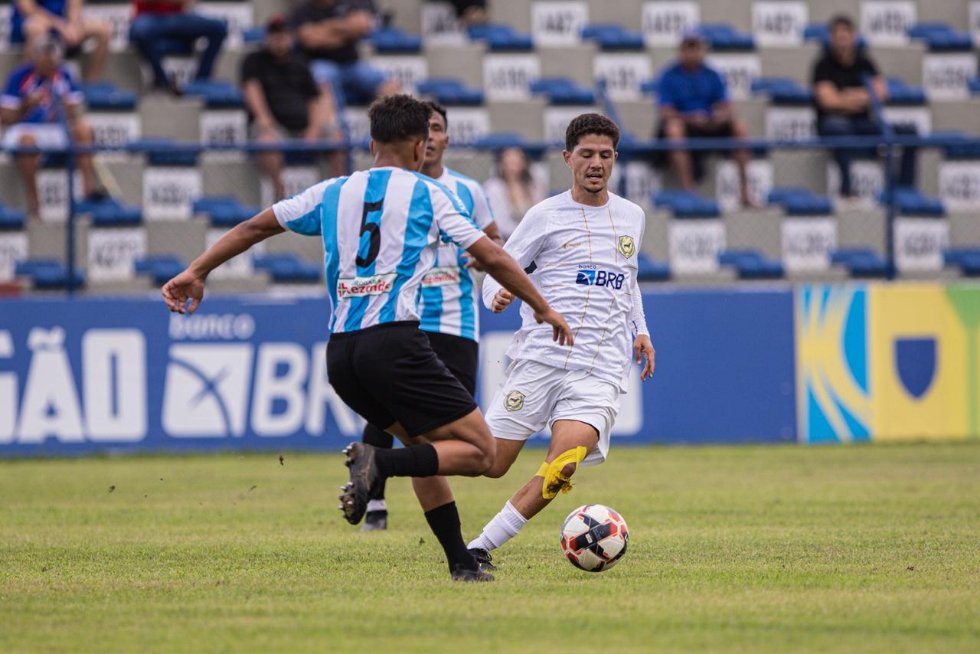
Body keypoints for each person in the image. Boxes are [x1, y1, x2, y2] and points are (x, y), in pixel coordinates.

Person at [160, 94, 574, 582]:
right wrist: (543, 307)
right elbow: (495, 255)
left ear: (371, 142)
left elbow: (255, 227)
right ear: (421, 146)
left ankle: (460, 562)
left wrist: (196, 270)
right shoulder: (428, 192)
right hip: (395, 342)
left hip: (342, 355)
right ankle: (378, 464)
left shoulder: (332, 191)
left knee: (428, 451)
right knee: (482, 453)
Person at [465, 113, 656, 570]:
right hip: (541, 358)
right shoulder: (544, 215)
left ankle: (478, 548)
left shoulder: (633, 216)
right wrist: (495, 295)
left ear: (615, 159)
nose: (596, 163)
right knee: (490, 462)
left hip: (599, 368)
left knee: (563, 464)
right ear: (567, 158)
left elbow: (627, 281)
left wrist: (641, 329)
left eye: (605, 155)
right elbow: (499, 266)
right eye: (586, 154)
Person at [359, 100, 501, 532]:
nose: (433, 136)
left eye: (439, 127)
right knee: (386, 412)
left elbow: (492, 239)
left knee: (445, 433)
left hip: (456, 322)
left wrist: (483, 259)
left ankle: (384, 470)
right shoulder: (388, 191)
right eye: (427, 129)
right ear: (416, 141)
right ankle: (376, 504)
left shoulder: (467, 191)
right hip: (402, 318)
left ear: (445, 137)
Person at [812, 15, 917, 198]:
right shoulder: (823, 64)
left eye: (846, 34)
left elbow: (882, 93)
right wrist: (863, 96)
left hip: (863, 123)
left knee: (909, 132)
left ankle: (903, 190)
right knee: (837, 127)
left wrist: (844, 97)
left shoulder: (864, 62)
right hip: (833, 124)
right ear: (831, 38)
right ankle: (846, 189)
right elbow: (828, 101)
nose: (842, 39)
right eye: (838, 35)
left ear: (853, 36)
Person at [0, 37, 104, 221]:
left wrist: (63, 106)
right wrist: (26, 105)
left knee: (84, 129)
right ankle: (35, 206)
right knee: (27, 141)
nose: (49, 65)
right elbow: (5, 118)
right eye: (45, 60)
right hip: (26, 128)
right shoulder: (20, 76)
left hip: (56, 129)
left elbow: (76, 110)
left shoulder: (63, 75)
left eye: (53, 61)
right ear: (35, 59)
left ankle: (87, 195)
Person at [241, 15, 338, 202]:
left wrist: (313, 129)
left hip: (303, 126)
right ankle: (280, 195)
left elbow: (314, 99)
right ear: (266, 38)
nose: (279, 40)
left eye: (283, 35)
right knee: (266, 141)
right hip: (275, 127)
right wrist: (264, 120)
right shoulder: (254, 61)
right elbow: (251, 89)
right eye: (274, 36)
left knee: (337, 138)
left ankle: (337, 196)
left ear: (290, 38)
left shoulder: (300, 63)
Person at [656, 30, 756, 207]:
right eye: (688, 48)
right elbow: (665, 112)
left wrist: (719, 117)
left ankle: (745, 192)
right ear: (681, 50)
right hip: (686, 124)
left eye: (696, 48)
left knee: (739, 127)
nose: (692, 53)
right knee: (673, 129)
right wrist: (690, 118)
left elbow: (727, 106)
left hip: (710, 125)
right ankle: (689, 191)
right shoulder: (669, 75)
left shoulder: (712, 74)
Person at [290, 0, 399, 115]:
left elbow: (362, 26)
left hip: (351, 65)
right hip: (321, 63)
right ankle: (337, 131)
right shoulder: (302, 10)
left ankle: (388, 128)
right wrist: (343, 29)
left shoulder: (347, 4)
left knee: (388, 85)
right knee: (322, 81)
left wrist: (323, 29)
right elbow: (311, 40)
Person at [129, 0, 228, 94]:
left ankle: (200, 81)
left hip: (177, 17)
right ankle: (163, 82)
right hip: (148, 17)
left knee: (219, 28)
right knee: (140, 31)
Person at [11, 0, 111, 83]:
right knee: (36, 29)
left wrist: (73, 25)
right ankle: (29, 84)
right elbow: (28, 9)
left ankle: (92, 84)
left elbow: (75, 5)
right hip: (35, 21)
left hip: (64, 25)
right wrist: (59, 25)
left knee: (103, 30)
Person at [483, 147, 548, 241]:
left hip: (534, 237)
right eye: (509, 160)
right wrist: (525, 236)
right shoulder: (494, 187)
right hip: (506, 240)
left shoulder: (534, 186)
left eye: (517, 160)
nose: (513, 164)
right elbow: (501, 224)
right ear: (502, 164)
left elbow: (541, 214)